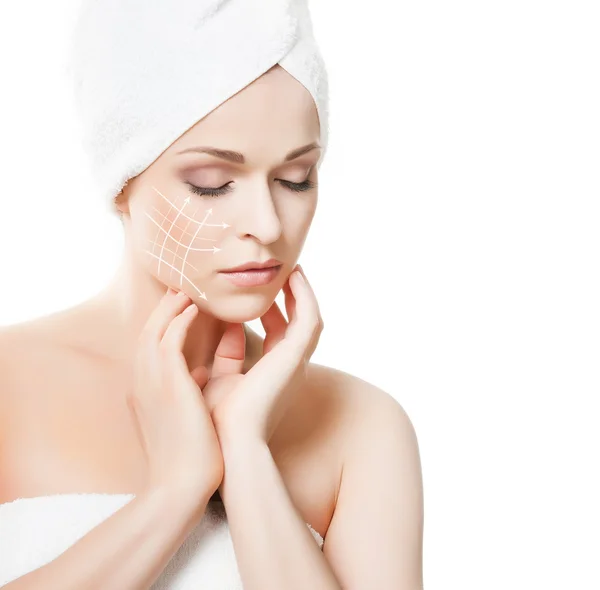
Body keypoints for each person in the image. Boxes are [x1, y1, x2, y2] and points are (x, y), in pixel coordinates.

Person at [0, 1, 424, 589]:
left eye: (295, 178)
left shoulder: (363, 427)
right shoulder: (9, 385)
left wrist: (246, 452)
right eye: (212, 184)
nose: (268, 225)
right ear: (122, 183)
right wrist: (176, 493)